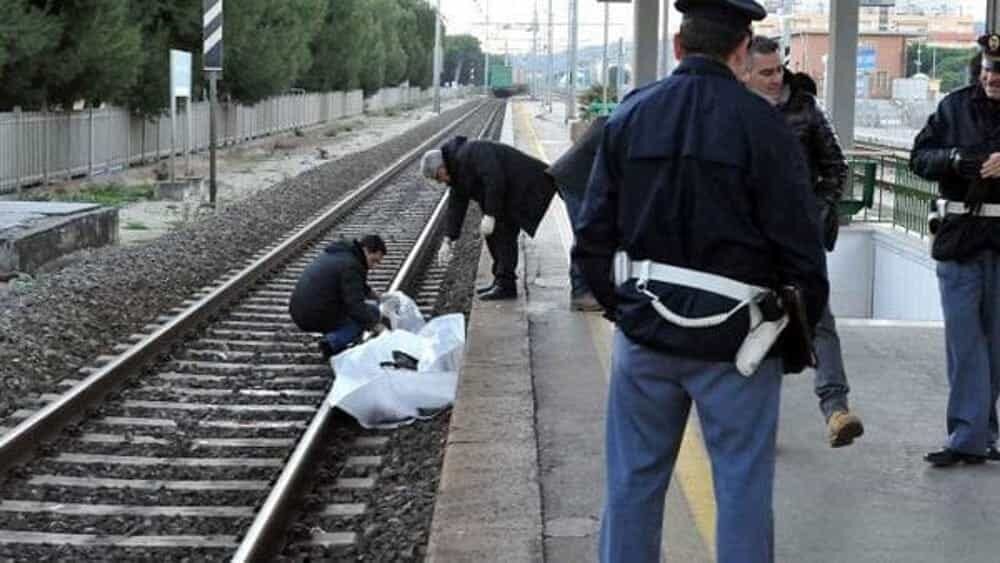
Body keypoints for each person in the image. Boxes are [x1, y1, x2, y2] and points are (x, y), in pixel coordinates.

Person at [573, 1, 829, 561]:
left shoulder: (631, 115)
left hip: (647, 335)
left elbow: (591, 236)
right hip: (740, 342)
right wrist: (790, 340)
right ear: (741, 52)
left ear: (677, 46)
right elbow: (802, 252)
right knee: (741, 486)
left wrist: (628, 313)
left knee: (632, 483)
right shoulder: (765, 128)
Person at [744, 36, 864, 448]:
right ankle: (760, 421)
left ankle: (836, 410)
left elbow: (835, 165)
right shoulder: (734, 110)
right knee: (756, 325)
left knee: (819, 319)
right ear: (745, 71)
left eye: (779, 69)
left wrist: (819, 212)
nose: (777, 78)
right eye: (766, 72)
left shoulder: (806, 110)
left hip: (798, 237)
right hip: (748, 239)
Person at [911, 33, 1000, 467]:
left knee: (996, 346)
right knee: (966, 343)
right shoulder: (954, 107)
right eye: (987, 69)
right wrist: (953, 159)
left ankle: (984, 433)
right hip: (961, 236)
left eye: (999, 72)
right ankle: (968, 437)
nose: (992, 77)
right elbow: (919, 158)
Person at [421, 136, 556, 300]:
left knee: (504, 233)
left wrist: (491, 214)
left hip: (525, 184)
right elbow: (456, 206)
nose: (439, 181)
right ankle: (500, 281)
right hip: (507, 193)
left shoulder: (472, 151)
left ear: (441, 167)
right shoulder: (456, 171)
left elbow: (495, 180)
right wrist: (449, 239)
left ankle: (506, 285)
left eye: (437, 177)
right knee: (493, 235)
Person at [288, 234, 388, 359]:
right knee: (367, 315)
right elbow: (356, 306)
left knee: (368, 311)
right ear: (366, 250)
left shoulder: (342, 254)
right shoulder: (352, 265)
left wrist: (376, 296)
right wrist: (378, 327)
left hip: (300, 309)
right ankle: (330, 343)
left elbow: (353, 285)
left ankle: (335, 338)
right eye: (374, 260)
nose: (374, 266)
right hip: (313, 315)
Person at [546, 116, 608, 312]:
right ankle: (581, 293)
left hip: (581, 179)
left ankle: (596, 288)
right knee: (587, 235)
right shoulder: (622, 128)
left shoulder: (621, 120)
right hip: (575, 180)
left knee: (597, 233)